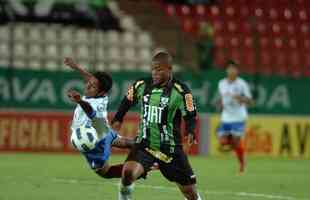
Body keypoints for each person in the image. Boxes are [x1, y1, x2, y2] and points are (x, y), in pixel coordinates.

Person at [111, 50, 203, 200]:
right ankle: (124, 195)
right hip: (144, 144)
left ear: (169, 69)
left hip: (171, 149)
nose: (154, 73)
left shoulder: (181, 91)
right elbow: (126, 101)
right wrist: (117, 120)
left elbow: (191, 114)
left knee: (190, 193)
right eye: (153, 69)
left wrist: (191, 131)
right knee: (127, 174)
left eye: (159, 69)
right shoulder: (142, 85)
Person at [64, 57, 134, 179]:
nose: (87, 87)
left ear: (102, 92)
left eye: (92, 87)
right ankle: (150, 150)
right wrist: (76, 67)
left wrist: (80, 101)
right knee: (126, 143)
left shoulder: (96, 105)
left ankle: (141, 167)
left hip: (96, 140)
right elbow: (91, 79)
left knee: (105, 172)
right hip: (104, 130)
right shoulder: (100, 94)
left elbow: (90, 111)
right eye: (89, 84)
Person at [217, 60, 254, 173]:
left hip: (238, 116)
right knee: (223, 142)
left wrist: (240, 98)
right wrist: (220, 104)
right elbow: (223, 98)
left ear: (237, 71)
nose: (231, 71)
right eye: (229, 68)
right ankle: (237, 148)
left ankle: (242, 162)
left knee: (236, 140)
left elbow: (250, 101)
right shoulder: (221, 83)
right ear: (226, 70)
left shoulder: (242, 84)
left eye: (234, 69)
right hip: (226, 116)